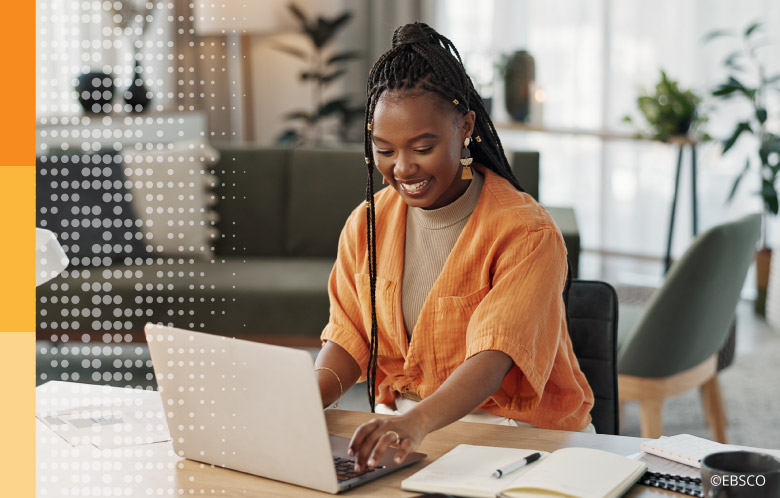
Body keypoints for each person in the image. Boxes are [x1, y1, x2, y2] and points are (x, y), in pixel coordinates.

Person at [314, 22, 594, 473]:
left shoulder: (526, 233)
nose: (402, 169)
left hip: (518, 436)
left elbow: (493, 357)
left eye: (422, 147)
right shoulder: (367, 222)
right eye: (384, 150)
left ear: (464, 126)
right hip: (408, 426)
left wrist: (417, 424)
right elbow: (350, 337)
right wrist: (307, 398)